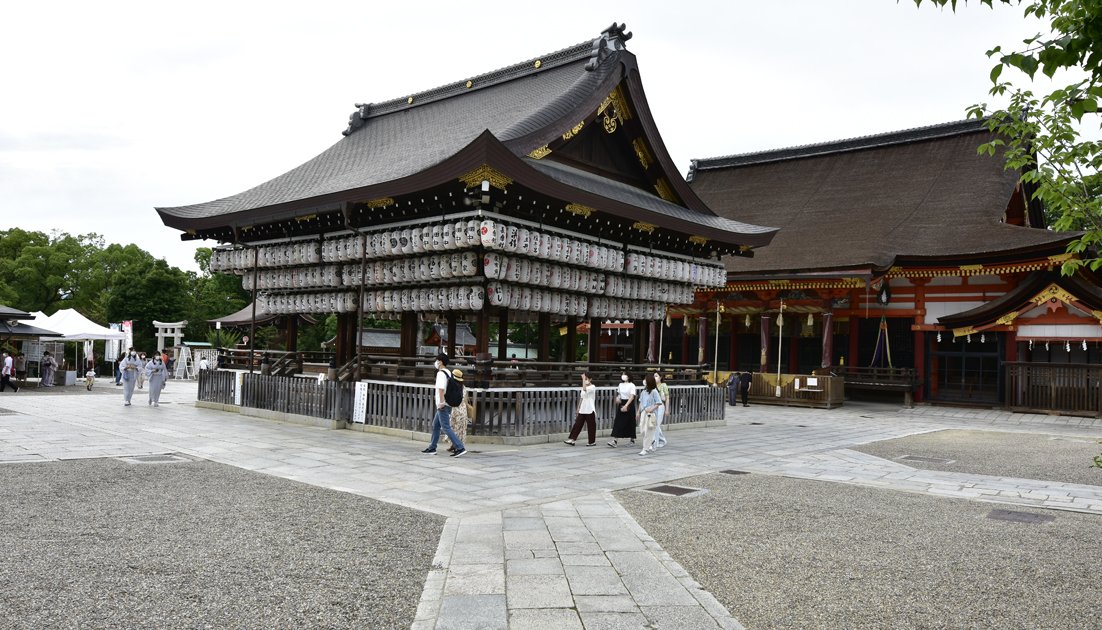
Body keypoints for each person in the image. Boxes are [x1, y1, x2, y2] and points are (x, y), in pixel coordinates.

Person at [422, 354, 466, 457]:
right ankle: (432, 447)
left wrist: (441, 403)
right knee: (436, 425)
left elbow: (441, 389)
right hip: (448, 403)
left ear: (440, 362)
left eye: (436, 360)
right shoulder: (449, 373)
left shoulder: (441, 374)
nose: (436, 363)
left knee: (445, 427)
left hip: (443, 404)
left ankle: (460, 447)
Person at [564, 372, 597, 446]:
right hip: (583, 408)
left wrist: (583, 379)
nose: (585, 380)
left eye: (586, 379)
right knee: (577, 424)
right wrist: (579, 407)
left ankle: (592, 441)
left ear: (590, 379)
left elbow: (585, 389)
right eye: (584, 379)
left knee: (591, 426)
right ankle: (572, 439)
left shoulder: (592, 387)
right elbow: (582, 397)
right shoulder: (583, 387)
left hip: (589, 408)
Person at [608, 370, 636, 448]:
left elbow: (631, 396)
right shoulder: (620, 384)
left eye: (625, 374)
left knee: (630, 421)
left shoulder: (632, 385)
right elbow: (619, 394)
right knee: (619, 421)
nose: (623, 376)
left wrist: (626, 405)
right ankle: (615, 440)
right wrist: (617, 398)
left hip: (629, 403)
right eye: (622, 374)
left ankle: (632, 440)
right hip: (622, 403)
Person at [636, 373, 662, 456]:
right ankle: (652, 441)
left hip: (651, 413)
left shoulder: (654, 391)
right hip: (644, 412)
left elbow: (658, 403)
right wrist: (638, 412)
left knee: (648, 431)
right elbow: (641, 402)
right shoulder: (644, 391)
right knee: (642, 430)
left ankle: (645, 449)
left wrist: (651, 409)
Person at [445, 368, 469, 453]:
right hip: (462, 409)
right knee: (458, 429)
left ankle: (455, 446)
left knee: (453, 427)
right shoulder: (463, 387)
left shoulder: (454, 386)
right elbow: (465, 400)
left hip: (456, 409)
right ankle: (453, 445)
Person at [653, 372, 669, 449]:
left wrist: (667, 409)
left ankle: (657, 441)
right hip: (653, 406)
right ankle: (661, 440)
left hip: (660, 406)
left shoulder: (663, 385)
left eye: (656, 376)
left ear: (660, 377)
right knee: (654, 424)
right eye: (654, 376)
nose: (655, 377)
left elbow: (667, 397)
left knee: (657, 424)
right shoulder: (652, 386)